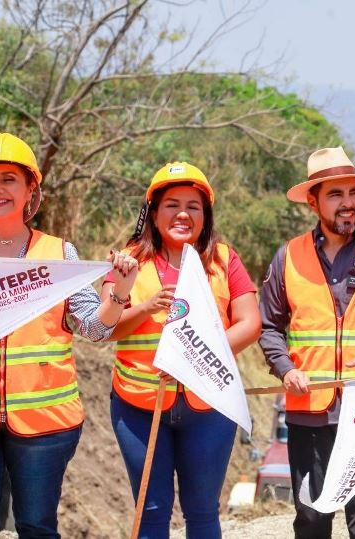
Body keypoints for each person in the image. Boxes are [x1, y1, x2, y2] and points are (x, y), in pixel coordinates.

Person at [0, 132, 138, 539]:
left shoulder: (58, 254)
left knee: (36, 526)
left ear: (30, 188)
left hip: (44, 422)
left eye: (8, 179)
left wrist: (119, 291)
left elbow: (94, 327)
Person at [259, 147, 355, 539]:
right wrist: (286, 369)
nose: (348, 203)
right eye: (335, 195)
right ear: (313, 202)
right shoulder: (288, 257)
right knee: (312, 521)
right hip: (309, 413)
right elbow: (268, 327)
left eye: (354, 193)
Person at [103, 162, 260, 539]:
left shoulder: (224, 260)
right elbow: (105, 328)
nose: (183, 214)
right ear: (153, 212)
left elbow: (250, 323)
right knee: (151, 511)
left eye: (194, 206)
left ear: (206, 215)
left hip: (210, 406)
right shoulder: (129, 260)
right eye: (172, 204)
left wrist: (192, 362)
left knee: (203, 511)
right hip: (138, 405)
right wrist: (142, 307)